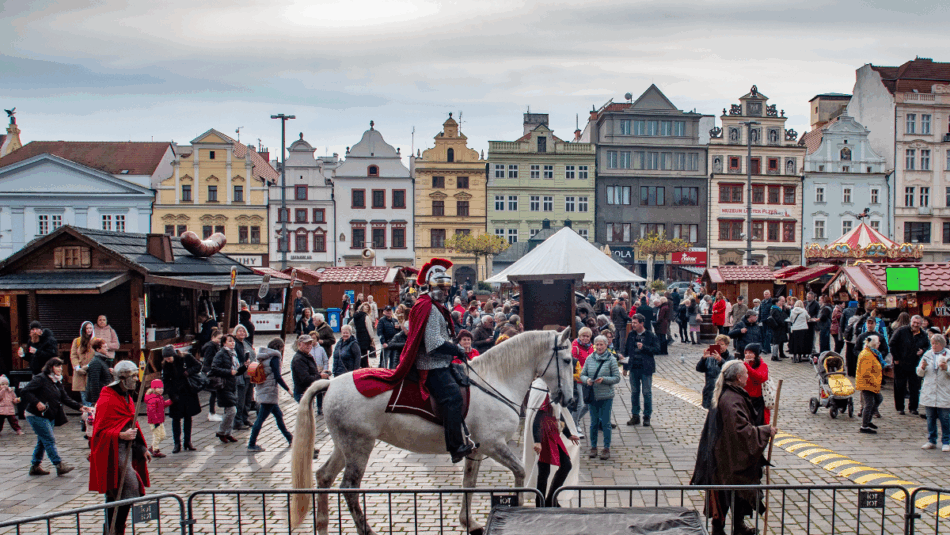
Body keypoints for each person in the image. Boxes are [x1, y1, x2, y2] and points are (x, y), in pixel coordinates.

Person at [691, 360, 775, 535]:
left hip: (726, 452)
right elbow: (741, 430)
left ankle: (738, 527)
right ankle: (718, 529)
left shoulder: (732, 394)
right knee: (724, 494)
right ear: (738, 377)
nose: (747, 376)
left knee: (737, 493)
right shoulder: (731, 400)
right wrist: (766, 431)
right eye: (745, 373)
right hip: (726, 456)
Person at [21, 357, 91, 475]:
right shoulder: (40, 378)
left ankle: (35, 466)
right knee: (49, 439)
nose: (60, 369)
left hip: (49, 414)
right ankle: (59, 465)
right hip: (35, 415)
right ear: (51, 367)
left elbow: (65, 398)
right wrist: (37, 402)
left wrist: (79, 407)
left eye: (60, 366)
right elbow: (25, 391)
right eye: (58, 366)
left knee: (43, 440)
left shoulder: (57, 381)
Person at [531, 394, 580, 507]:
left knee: (566, 465)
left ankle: (550, 499)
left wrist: (568, 434)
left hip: (553, 433)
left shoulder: (555, 393)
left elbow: (559, 415)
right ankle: (540, 503)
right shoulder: (543, 394)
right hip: (544, 435)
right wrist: (537, 440)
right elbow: (536, 418)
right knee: (544, 472)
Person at [247, 339, 294, 452]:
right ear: (280, 347)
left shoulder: (263, 356)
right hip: (270, 391)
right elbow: (278, 376)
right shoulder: (275, 357)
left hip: (263, 388)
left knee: (279, 415)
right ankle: (251, 444)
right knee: (260, 419)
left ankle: (290, 438)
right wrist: (288, 389)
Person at [581, 335, 621, 460]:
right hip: (593, 396)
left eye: (601, 344)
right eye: (597, 344)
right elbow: (582, 374)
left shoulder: (611, 359)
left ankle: (606, 448)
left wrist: (604, 380)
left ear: (606, 345)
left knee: (606, 423)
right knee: (593, 423)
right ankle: (593, 447)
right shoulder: (589, 359)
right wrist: (587, 380)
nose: (599, 347)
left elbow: (617, 378)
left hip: (606, 396)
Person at [161, 345, 201, 453]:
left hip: (188, 391)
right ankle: (176, 443)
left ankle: (187, 441)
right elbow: (166, 380)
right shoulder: (165, 365)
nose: (167, 359)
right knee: (176, 419)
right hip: (175, 394)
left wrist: (188, 372)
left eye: (169, 357)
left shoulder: (185, 358)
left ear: (173, 354)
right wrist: (171, 395)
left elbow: (198, 366)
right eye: (165, 358)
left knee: (188, 417)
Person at [890, 315, 931, 415]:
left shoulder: (923, 334)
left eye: (918, 323)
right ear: (911, 322)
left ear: (921, 324)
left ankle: (913, 408)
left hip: (915, 364)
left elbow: (928, 346)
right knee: (899, 386)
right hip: (901, 363)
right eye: (914, 322)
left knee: (915, 387)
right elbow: (892, 344)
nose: (915, 325)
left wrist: (923, 351)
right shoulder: (902, 330)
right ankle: (900, 407)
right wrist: (896, 358)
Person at [623, 313, 659, 427]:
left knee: (647, 393)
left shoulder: (650, 335)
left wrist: (644, 348)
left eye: (635, 323)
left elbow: (657, 349)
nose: (633, 325)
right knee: (634, 392)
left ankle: (647, 416)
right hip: (634, 368)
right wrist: (625, 367)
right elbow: (626, 351)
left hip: (646, 368)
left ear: (641, 323)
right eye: (632, 322)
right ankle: (635, 416)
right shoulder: (631, 335)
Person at [210, 334, 246, 443]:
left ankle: (228, 433)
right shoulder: (221, 354)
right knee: (232, 411)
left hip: (232, 384)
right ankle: (221, 431)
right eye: (230, 341)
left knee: (229, 411)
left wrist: (244, 366)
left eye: (233, 341)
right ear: (224, 343)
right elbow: (214, 368)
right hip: (223, 385)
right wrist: (229, 372)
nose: (232, 343)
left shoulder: (233, 354)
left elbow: (237, 371)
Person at [918, 334, 950, 451]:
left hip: (944, 392)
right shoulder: (927, 354)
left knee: (945, 418)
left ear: (942, 344)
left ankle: (946, 441)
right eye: (932, 343)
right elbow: (919, 373)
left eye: (936, 344)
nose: (934, 346)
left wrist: (946, 368)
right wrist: (922, 367)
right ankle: (931, 440)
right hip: (930, 391)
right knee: (930, 418)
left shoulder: (948, 355)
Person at [857, 335, 884, 434]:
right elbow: (866, 373)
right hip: (868, 383)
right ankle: (864, 425)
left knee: (878, 399)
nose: (879, 344)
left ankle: (868, 421)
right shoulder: (867, 355)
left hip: (872, 383)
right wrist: (874, 382)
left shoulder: (871, 353)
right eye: (877, 342)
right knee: (869, 404)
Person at [698, 335, 733, 409]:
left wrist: (721, 360)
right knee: (711, 415)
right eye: (717, 344)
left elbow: (731, 372)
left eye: (721, 344)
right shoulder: (710, 357)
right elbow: (699, 369)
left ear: (726, 345)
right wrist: (703, 359)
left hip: (723, 392)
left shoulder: (731, 358)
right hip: (710, 390)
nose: (719, 346)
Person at [570, 327, 595, 428]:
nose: (585, 338)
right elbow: (574, 363)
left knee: (588, 404)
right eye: (583, 336)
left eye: (587, 336)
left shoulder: (591, 347)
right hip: (578, 379)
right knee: (580, 404)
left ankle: (574, 421)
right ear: (579, 336)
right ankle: (574, 425)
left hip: (588, 379)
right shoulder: (575, 347)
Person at [232, 325, 255, 429]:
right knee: (241, 399)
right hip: (241, 374)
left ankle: (245, 418)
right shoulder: (235, 344)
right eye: (239, 331)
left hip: (249, 373)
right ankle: (238, 421)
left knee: (248, 398)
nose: (242, 333)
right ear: (235, 333)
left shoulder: (246, 342)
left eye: (243, 331)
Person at [742, 343, 770, 425]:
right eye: (746, 353)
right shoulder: (743, 365)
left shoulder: (762, 365)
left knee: (757, 423)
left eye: (750, 353)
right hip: (745, 398)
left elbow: (760, 378)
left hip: (757, 399)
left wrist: (747, 367)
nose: (748, 355)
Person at [71, 321, 96, 407]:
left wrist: (89, 366)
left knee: (93, 393)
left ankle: (93, 414)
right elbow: (73, 355)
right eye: (87, 328)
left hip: (92, 370)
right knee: (83, 394)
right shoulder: (77, 341)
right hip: (80, 371)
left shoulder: (96, 341)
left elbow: (99, 355)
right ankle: (87, 414)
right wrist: (77, 367)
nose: (89, 330)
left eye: (90, 328)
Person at [144, 379, 171, 458]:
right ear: (154, 389)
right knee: (157, 436)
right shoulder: (152, 399)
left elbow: (163, 405)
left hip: (160, 420)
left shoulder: (159, 397)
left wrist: (171, 401)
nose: (161, 390)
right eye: (158, 388)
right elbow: (151, 411)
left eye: (162, 388)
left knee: (163, 435)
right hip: (155, 421)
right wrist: (156, 421)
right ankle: (155, 450)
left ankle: (152, 448)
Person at [84, 339, 114, 407]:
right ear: (98, 349)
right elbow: (94, 382)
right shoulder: (96, 362)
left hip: (104, 394)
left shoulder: (102, 360)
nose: (107, 349)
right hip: (99, 397)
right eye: (104, 347)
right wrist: (95, 400)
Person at [201, 331, 223, 422]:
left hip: (212, 371)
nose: (220, 341)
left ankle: (212, 412)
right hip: (211, 372)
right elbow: (209, 360)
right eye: (218, 338)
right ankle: (211, 413)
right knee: (214, 392)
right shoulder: (211, 346)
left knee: (215, 393)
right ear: (213, 337)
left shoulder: (213, 346)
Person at [291, 335, 321, 403]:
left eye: (310, 343)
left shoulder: (307, 356)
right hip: (302, 393)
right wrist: (320, 376)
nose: (309, 346)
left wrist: (319, 373)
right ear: (299, 344)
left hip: (308, 391)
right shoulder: (299, 359)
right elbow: (306, 379)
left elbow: (313, 373)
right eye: (306, 344)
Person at [307, 333, 331, 412]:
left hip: (321, 371)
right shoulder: (308, 350)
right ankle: (311, 406)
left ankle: (320, 406)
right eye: (311, 339)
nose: (313, 340)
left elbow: (325, 360)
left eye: (314, 338)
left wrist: (324, 369)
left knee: (321, 391)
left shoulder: (321, 349)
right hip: (312, 372)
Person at [353, 302, 380, 368]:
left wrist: (354, 332)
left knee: (360, 352)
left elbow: (350, 324)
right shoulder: (366, 316)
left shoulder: (356, 315)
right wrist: (372, 338)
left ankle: (360, 365)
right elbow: (369, 328)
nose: (367, 308)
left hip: (358, 335)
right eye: (366, 307)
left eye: (368, 307)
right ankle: (365, 366)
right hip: (365, 336)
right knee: (365, 353)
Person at [766, 296, 789, 361]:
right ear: (776, 303)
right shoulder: (775, 310)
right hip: (777, 328)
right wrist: (783, 321)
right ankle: (774, 356)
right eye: (779, 302)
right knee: (776, 342)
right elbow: (779, 318)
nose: (780, 303)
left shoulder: (777, 309)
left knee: (780, 341)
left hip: (779, 328)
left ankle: (780, 354)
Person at [759, 290, 774, 357]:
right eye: (765, 294)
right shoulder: (762, 302)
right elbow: (760, 311)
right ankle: (764, 348)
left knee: (768, 335)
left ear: (770, 295)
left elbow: (772, 312)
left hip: (769, 321)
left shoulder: (772, 302)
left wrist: (769, 318)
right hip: (763, 320)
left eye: (767, 294)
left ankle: (767, 349)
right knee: (763, 335)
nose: (766, 295)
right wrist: (759, 319)